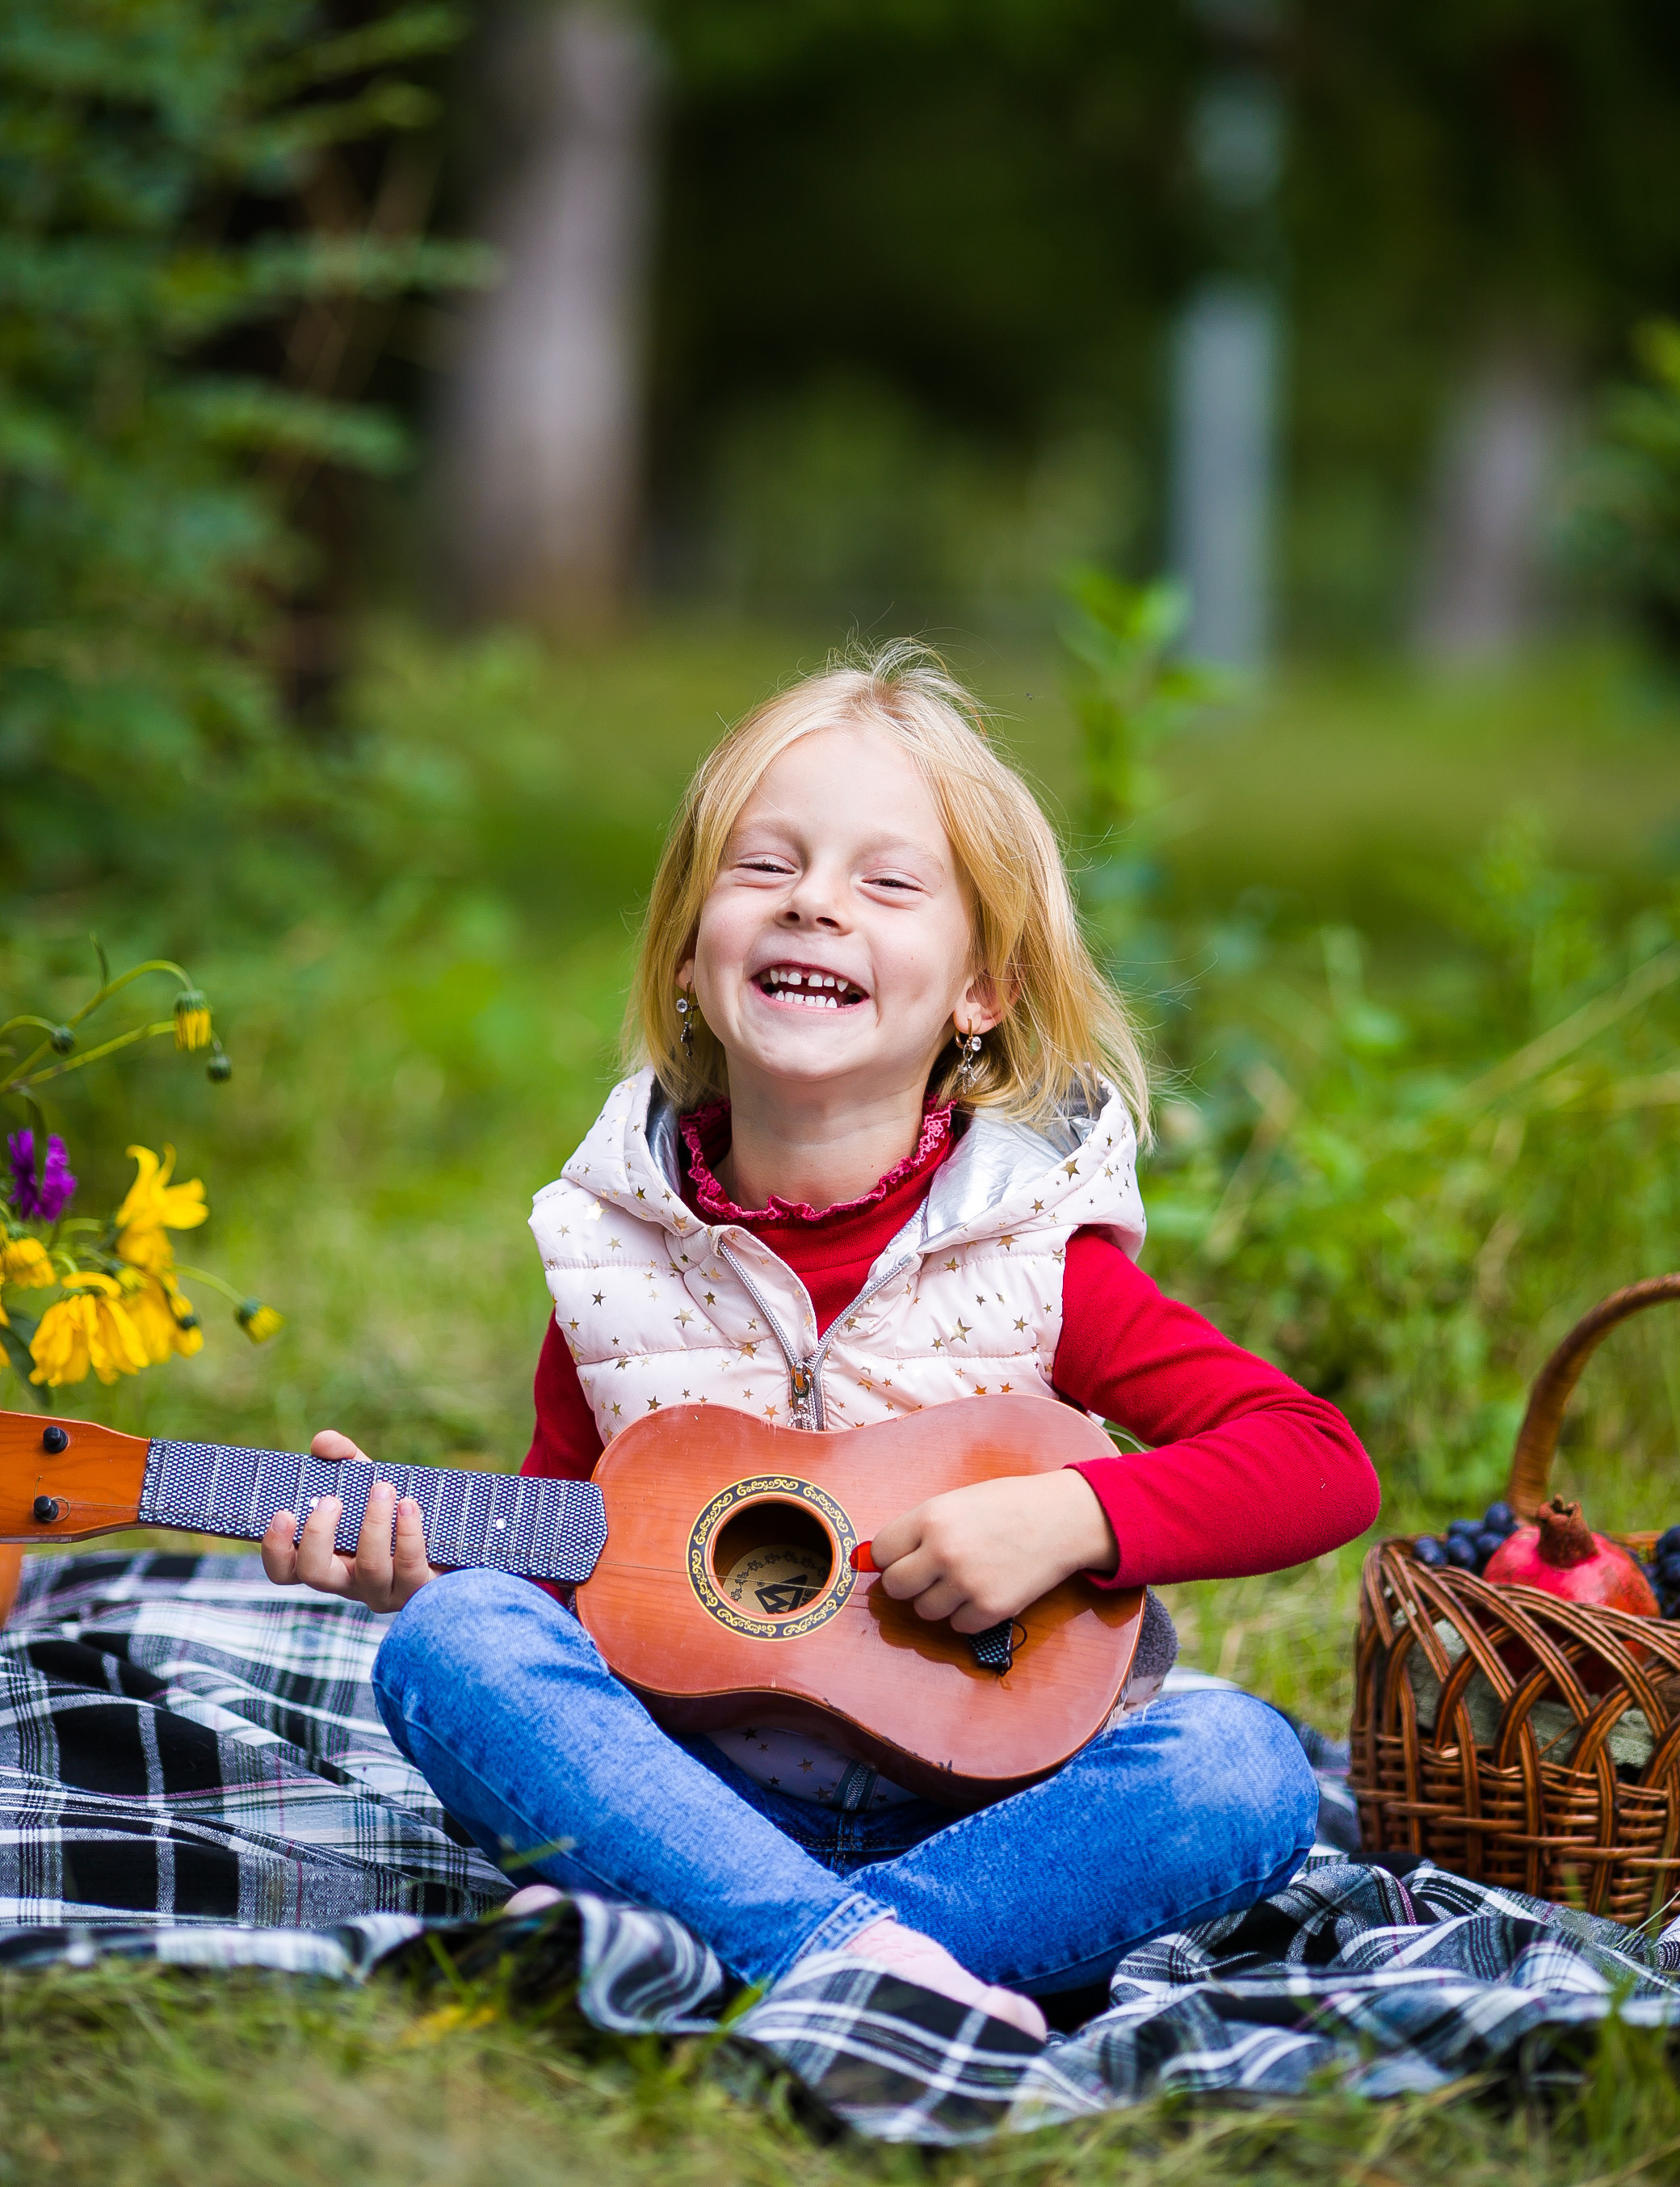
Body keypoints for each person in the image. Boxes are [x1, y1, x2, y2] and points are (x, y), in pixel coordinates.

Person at [262, 646, 1380, 2042]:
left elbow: (1320, 1464)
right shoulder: (611, 1264)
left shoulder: (1038, 1263)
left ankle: (750, 1951)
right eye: (763, 866)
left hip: (1001, 1819)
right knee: (454, 1644)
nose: (814, 903)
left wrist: (1069, 1516)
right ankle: (863, 1970)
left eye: (887, 883)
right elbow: (573, 1574)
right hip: (687, 1801)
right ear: (685, 953)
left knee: (1243, 1765)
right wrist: (414, 1561)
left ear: (985, 990)